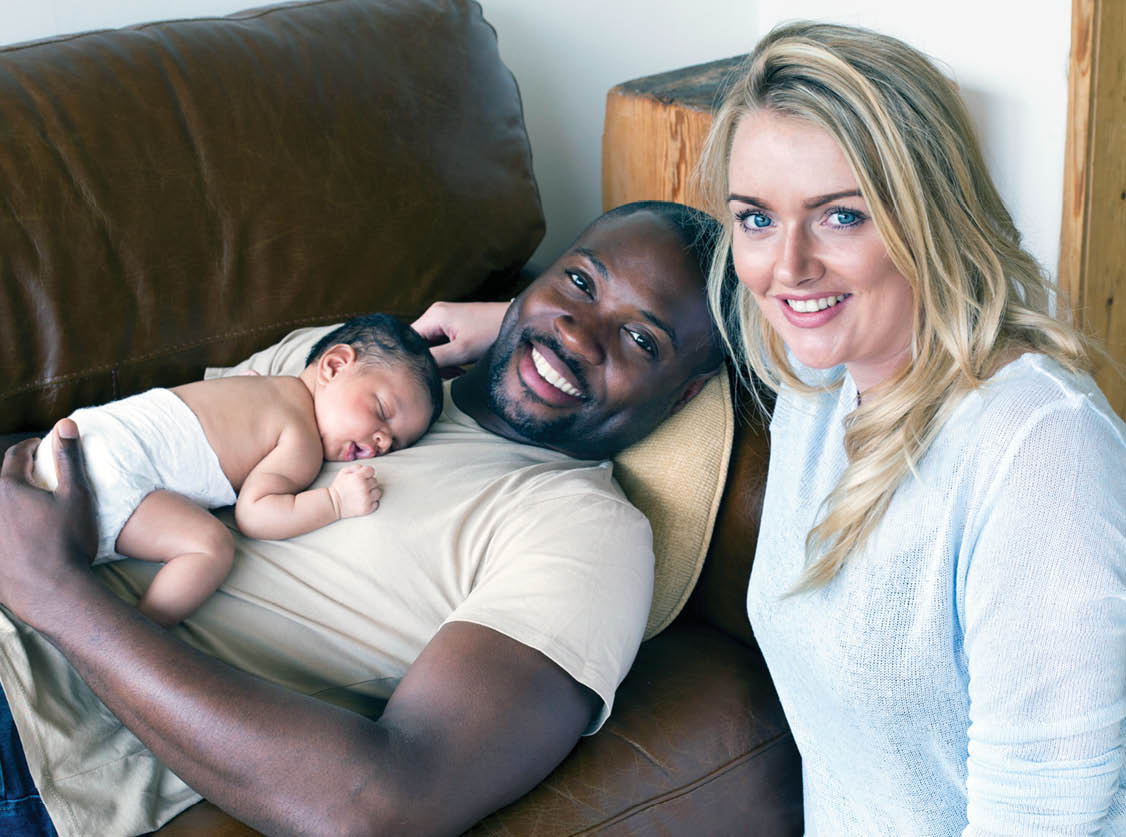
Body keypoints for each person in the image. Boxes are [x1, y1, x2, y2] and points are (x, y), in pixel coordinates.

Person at [0, 200, 724, 835]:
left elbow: (380, 807)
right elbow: (132, 438)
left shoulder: (586, 534)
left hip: (35, 722)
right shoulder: (360, 364)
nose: (576, 333)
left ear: (684, 393)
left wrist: (58, 594)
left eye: (641, 339)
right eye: (579, 281)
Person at [691, 22, 1124, 834]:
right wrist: (512, 325)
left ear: (930, 214)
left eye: (842, 216)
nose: (787, 269)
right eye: (756, 219)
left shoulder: (1041, 450)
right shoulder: (820, 376)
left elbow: (1047, 818)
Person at [30, 313, 443, 626]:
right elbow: (255, 513)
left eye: (397, 443)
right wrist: (335, 501)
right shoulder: (301, 440)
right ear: (333, 366)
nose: (383, 441)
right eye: (382, 412)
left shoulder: (257, 383)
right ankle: (140, 633)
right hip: (115, 474)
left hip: (81, 435)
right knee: (210, 547)